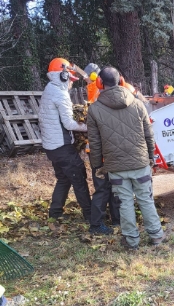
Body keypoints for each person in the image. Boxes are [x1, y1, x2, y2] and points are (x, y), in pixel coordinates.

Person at [87, 66, 165, 250]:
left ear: (100, 83)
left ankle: (131, 241)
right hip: (140, 162)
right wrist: (151, 157)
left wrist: (97, 166)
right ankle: (156, 236)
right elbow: (149, 134)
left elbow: (95, 143)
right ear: (121, 81)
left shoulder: (94, 110)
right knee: (145, 199)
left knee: (125, 203)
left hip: (116, 167)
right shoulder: (138, 104)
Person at [38, 58, 91, 221]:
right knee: (78, 175)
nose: (71, 84)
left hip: (51, 146)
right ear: (63, 76)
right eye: (71, 80)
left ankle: (55, 213)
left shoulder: (49, 89)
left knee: (64, 178)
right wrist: (89, 127)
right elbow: (69, 124)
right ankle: (90, 216)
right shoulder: (60, 94)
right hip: (61, 146)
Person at [83, 63, 121, 234]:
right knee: (105, 188)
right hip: (102, 152)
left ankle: (115, 219)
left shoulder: (96, 96)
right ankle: (97, 225)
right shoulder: (98, 98)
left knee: (110, 188)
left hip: (103, 152)